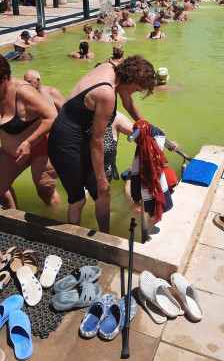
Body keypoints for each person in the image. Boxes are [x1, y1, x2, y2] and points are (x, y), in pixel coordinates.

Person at [48, 55, 156, 232]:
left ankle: (105, 235)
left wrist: (145, 126)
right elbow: (97, 140)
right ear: (130, 79)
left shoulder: (111, 67)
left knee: (103, 194)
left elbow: (127, 100)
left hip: (80, 134)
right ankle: (73, 240)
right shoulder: (106, 94)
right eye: (136, 89)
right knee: (78, 199)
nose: (134, 93)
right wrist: (101, 178)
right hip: (64, 143)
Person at [0, 55, 61, 209]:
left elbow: (51, 117)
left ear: (5, 78)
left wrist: (29, 142)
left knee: (45, 190)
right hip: (11, 151)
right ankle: (14, 221)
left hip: (40, 146)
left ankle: (56, 221)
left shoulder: (23, 92)